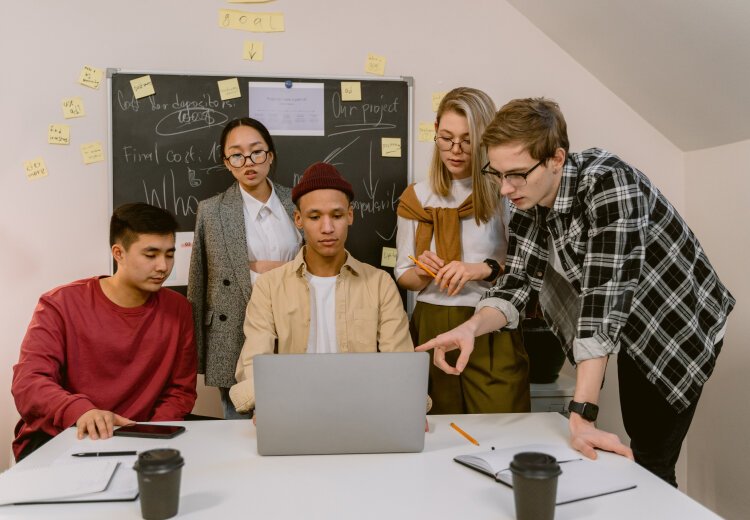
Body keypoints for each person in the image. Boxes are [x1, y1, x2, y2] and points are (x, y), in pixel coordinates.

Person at [418, 97, 735, 487]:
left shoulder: (610, 183)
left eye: (516, 174)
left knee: (652, 458)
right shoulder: (525, 200)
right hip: (626, 319)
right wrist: (471, 327)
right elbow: (516, 284)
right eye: (497, 174)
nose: (504, 189)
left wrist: (582, 414)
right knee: (634, 449)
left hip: (677, 320)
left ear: (556, 159)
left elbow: (602, 303)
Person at [11, 203, 197, 461]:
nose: (163, 266)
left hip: (141, 440)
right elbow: (29, 383)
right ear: (118, 253)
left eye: (169, 254)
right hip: (65, 438)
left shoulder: (179, 309)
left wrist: (151, 433)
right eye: (151, 255)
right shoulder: (60, 304)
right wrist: (80, 412)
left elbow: (180, 391)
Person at [229, 162, 414, 414]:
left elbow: (399, 361)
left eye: (336, 216)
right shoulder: (269, 286)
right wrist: (265, 404)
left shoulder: (379, 284)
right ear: (298, 219)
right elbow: (255, 360)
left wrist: (407, 407)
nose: (327, 228)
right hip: (291, 408)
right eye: (315, 217)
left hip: (363, 409)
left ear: (350, 216)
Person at [396, 87, 529, 414]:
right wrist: (422, 273)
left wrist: (480, 269)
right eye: (446, 138)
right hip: (431, 322)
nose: (455, 151)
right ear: (436, 130)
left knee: (500, 429)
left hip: (489, 323)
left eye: (468, 141)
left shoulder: (507, 193)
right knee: (437, 429)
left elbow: (526, 270)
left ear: (485, 140)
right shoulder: (417, 198)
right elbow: (403, 276)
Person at [188, 117, 301, 419]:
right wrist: (197, 354)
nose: (248, 162)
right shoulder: (211, 210)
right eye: (236, 155)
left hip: (295, 324)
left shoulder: (298, 201)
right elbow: (199, 281)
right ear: (227, 163)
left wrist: (263, 268)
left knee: (299, 420)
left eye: (256, 152)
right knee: (239, 428)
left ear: (270, 155)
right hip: (233, 331)